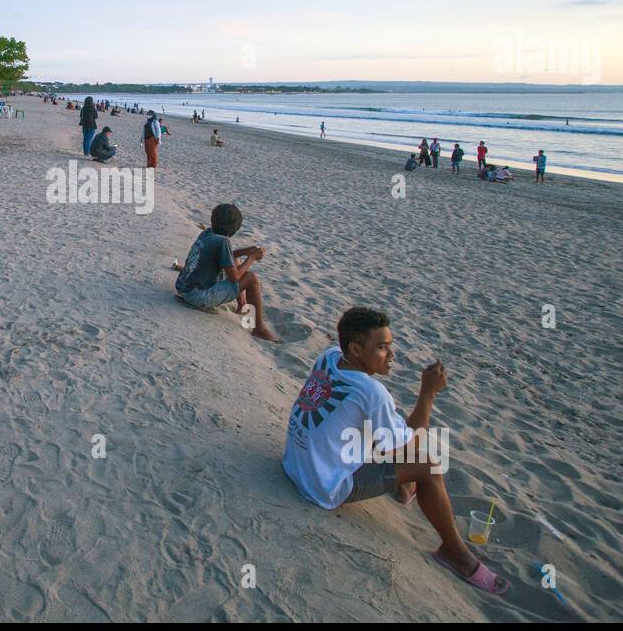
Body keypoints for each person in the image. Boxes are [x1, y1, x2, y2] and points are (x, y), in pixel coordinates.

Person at [282, 307, 508, 595]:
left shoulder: (329, 356)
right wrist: (427, 394)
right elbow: (409, 449)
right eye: (382, 347)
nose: (391, 355)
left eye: (390, 346)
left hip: (297, 464)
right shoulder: (372, 392)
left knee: (382, 428)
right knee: (427, 464)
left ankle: (403, 490)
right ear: (355, 348)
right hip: (323, 486)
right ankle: (454, 552)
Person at [174, 203, 280, 343]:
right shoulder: (223, 241)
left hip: (184, 287)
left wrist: (244, 251)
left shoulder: (207, 233)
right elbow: (234, 276)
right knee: (252, 278)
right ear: (234, 229)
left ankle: (242, 305)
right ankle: (259, 328)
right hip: (197, 296)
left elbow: (223, 257)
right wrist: (252, 258)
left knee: (234, 260)